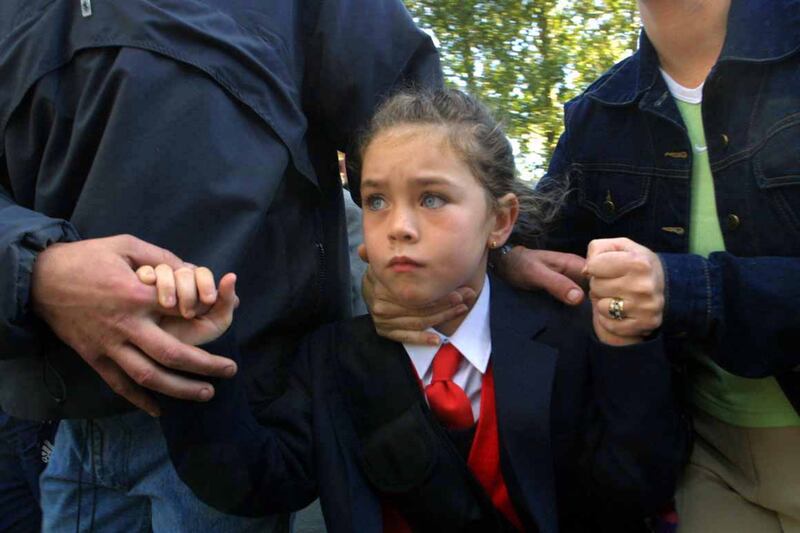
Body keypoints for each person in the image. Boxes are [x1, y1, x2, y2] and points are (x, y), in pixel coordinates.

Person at [144, 89, 688, 532]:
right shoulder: (331, 361)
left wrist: (625, 348)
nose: (398, 225)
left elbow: (636, 485)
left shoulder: (569, 333)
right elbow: (252, 481)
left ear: (500, 222)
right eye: (376, 200)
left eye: (431, 198)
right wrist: (197, 349)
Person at [0, 0, 441, 530]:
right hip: (65, 420)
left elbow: (413, 113)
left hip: (251, 407)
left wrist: (498, 246)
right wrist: (37, 272)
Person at [366, 1, 800, 531]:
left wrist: (686, 288)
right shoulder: (600, 115)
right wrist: (409, 286)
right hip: (703, 459)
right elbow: (499, 241)